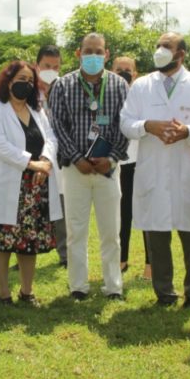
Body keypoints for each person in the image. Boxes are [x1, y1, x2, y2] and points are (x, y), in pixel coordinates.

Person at [120, 32, 190, 308]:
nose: (159, 50)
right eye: (157, 46)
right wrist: (147, 126)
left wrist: (188, 131)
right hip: (152, 171)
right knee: (156, 236)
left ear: (181, 54)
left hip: (186, 172)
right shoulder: (142, 86)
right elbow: (125, 122)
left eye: (166, 46)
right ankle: (164, 293)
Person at [48, 33, 129, 300]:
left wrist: (111, 158)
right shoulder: (63, 85)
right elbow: (57, 126)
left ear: (106, 54)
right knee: (76, 230)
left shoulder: (119, 85)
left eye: (98, 51)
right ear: (78, 53)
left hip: (108, 170)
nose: (93, 56)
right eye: (88, 51)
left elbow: (125, 125)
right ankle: (78, 286)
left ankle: (113, 286)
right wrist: (77, 158)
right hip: (75, 170)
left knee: (111, 232)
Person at [0, 61, 61, 305]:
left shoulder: (37, 111)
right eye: (21, 79)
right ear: (8, 81)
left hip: (35, 187)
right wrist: (32, 163)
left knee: (30, 240)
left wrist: (45, 160)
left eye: (30, 81)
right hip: (7, 184)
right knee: (2, 241)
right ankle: (3, 293)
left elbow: (51, 138)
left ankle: (27, 291)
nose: (26, 84)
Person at [112, 56, 150, 279]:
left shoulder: (143, 96)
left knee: (146, 212)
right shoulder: (107, 95)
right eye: (119, 70)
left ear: (135, 74)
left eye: (128, 70)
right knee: (121, 213)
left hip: (140, 161)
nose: (124, 73)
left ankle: (150, 264)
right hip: (116, 163)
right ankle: (121, 259)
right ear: (112, 71)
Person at [35, 44, 68, 268]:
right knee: (31, 204)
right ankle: (25, 251)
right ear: (37, 65)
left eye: (56, 67)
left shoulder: (65, 88)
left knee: (63, 207)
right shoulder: (26, 89)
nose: (51, 71)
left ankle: (65, 254)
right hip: (34, 156)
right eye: (47, 66)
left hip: (60, 155)